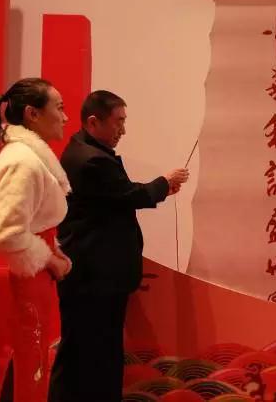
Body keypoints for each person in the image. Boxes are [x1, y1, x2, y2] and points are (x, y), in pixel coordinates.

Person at [48, 90, 189, 401]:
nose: (123, 130)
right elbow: (127, 195)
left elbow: (117, 196)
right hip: (94, 277)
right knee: (94, 355)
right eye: (118, 122)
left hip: (91, 274)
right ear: (93, 122)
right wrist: (164, 182)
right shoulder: (91, 160)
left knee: (87, 352)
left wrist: (162, 187)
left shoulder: (82, 149)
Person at [0, 78, 72, 402]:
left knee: (32, 366)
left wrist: (53, 254)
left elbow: (31, 225)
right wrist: (50, 259)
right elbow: (8, 234)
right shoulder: (22, 162)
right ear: (32, 114)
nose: (65, 117)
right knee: (17, 372)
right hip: (16, 280)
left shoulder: (27, 158)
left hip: (26, 275)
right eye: (59, 108)